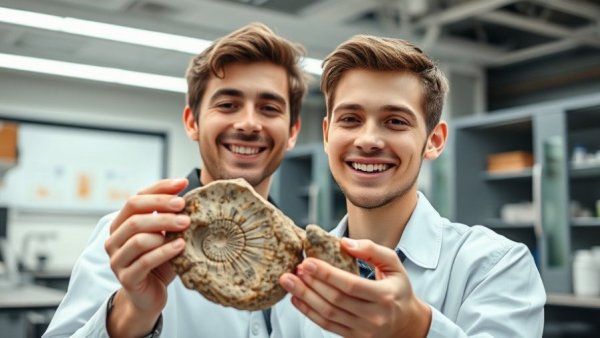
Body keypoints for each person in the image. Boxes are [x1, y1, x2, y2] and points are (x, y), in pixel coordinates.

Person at [43, 22, 308, 338]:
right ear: (192, 122)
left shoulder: (310, 258)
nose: (249, 123)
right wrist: (131, 313)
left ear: (292, 132)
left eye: (269, 108)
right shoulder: (129, 239)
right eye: (228, 105)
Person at [277, 35, 546, 337]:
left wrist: (415, 326)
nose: (367, 141)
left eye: (395, 122)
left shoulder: (495, 266)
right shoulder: (297, 272)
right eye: (350, 119)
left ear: (434, 140)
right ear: (327, 135)